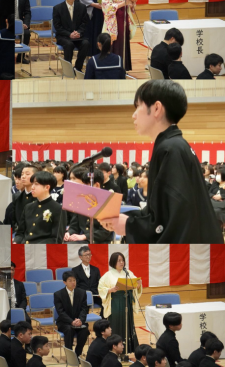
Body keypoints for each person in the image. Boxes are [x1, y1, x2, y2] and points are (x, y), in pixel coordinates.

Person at [101, 80, 224, 243]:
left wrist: (129, 225)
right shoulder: (175, 145)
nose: (133, 115)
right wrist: (127, 219)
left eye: (138, 106)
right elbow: (162, 210)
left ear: (157, 108)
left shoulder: (170, 148)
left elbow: (174, 220)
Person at [98, 252, 142, 354]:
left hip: (126, 301)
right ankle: (115, 348)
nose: (121, 263)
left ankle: (127, 348)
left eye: (122, 260)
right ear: (113, 262)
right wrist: (110, 290)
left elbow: (134, 286)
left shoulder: (128, 273)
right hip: (115, 302)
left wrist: (138, 285)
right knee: (116, 323)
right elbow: (101, 289)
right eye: (119, 261)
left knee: (128, 323)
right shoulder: (107, 275)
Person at [14, 171, 65, 244]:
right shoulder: (28, 207)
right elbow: (20, 233)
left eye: (36, 184)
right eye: (32, 184)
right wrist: (16, 242)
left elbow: (56, 238)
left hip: (42, 248)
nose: (32, 187)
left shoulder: (58, 209)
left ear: (47, 187)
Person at [64, 169, 113, 244]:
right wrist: (69, 233)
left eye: (86, 185)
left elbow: (105, 232)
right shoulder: (81, 200)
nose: (83, 188)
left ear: (97, 185)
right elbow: (74, 225)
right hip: (83, 240)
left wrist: (85, 236)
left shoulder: (108, 202)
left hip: (100, 241)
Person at [101, 0, 136, 72]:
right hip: (114, 19)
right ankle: (113, 67)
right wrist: (122, 3)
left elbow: (130, 4)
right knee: (116, 42)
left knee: (124, 40)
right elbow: (106, 7)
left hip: (124, 17)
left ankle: (124, 66)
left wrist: (132, 3)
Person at [53, 0, 90, 72]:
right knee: (69, 45)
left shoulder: (82, 7)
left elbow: (84, 23)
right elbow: (57, 26)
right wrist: (69, 34)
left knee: (86, 43)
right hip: (63, 36)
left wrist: (78, 32)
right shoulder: (57, 8)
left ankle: (78, 67)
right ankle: (68, 70)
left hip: (78, 36)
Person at [54, 271, 89, 358]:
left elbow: (84, 309)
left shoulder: (82, 293)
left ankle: (77, 354)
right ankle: (70, 356)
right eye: (70, 280)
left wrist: (80, 320)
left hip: (78, 321)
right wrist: (72, 322)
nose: (73, 282)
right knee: (69, 330)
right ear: (64, 282)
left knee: (84, 331)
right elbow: (61, 312)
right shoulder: (58, 294)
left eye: (74, 280)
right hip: (65, 322)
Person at [72, 246, 104, 317]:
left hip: (95, 296)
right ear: (80, 257)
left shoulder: (96, 269)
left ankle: (102, 321)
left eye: (89, 254)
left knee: (105, 304)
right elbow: (75, 286)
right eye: (86, 255)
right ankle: (84, 322)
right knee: (83, 310)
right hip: (83, 297)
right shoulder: (75, 270)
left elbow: (100, 283)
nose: (88, 257)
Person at [12, 165, 38, 230]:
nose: (23, 176)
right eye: (22, 174)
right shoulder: (17, 196)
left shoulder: (39, 197)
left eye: (27, 174)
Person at [15, 0, 31, 64]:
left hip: (20, 24)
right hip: (9, 24)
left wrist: (26, 23)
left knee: (27, 33)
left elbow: (27, 12)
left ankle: (21, 57)